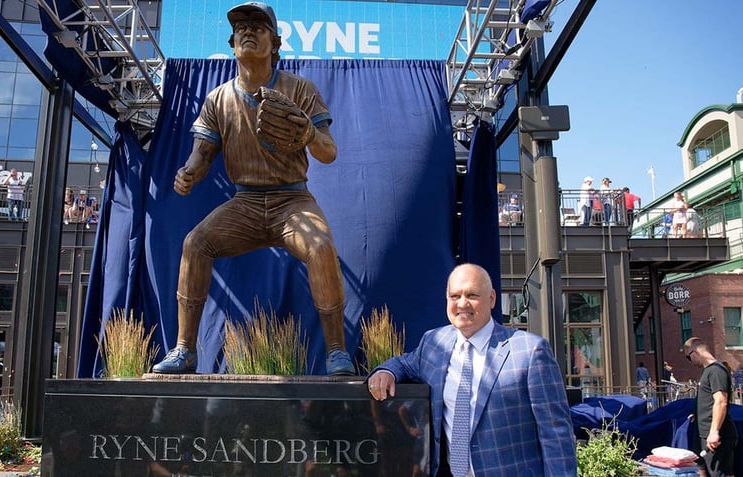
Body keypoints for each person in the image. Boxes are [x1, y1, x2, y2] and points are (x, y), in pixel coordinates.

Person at [152, 2, 353, 376]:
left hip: (292, 199)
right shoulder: (218, 98)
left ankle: (337, 351)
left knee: (321, 246)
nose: (248, 30)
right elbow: (202, 152)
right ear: (231, 43)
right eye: (241, 26)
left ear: (274, 42)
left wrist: (308, 132)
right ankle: (184, 349)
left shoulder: (299, 89)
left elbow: (329, 152)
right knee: (196, 243)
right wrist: (189, 172)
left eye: (258, 26)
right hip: (244, 202)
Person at [366, 264, 577, 476]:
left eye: (472, 295)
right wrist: (386, 372)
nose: (462, 303)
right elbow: (405, 363)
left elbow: (555, 432)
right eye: (455, 296)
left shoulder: (530, 351)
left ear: (492, 298)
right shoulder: (434, 343)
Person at [684, 337, 737, 477]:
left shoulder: (716, 370)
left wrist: (714, 431)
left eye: (688, 357)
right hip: (704, 434)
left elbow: (721, 401)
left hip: (717, 437)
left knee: (721, 474)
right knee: (702, 469)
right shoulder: (708, 372)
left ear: (694, 352)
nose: (690, 362)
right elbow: (709, 401)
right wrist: (698, 413)